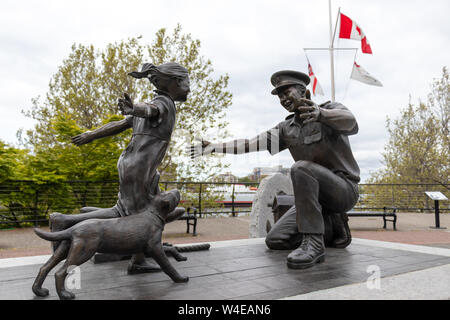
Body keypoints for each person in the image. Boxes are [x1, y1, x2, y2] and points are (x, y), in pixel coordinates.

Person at [190, 70, 360, 269]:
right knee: (275, 240)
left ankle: (314, 244)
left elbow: (352, 123)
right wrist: (214, 147)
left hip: (343, 191)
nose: (283, 99)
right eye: (280, 96)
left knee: (300, 168)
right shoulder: (286, 129)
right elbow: (249, 143)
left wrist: (322, 115)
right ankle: (331, 226)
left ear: (304, 92)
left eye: (287, 93)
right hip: (316, 200)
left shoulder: (330, 109)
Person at [49, 62, 191, 274]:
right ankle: (64, 221)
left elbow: (120, 124)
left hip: (136, 166)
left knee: (143, 211)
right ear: (175, 82)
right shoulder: (164, 103)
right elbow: (150, 110)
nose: (189, 87)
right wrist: (135, 109)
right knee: (127, 213)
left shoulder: (156, 103)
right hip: (139, 168)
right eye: (186, 81)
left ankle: (139, 259)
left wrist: (91, 134)